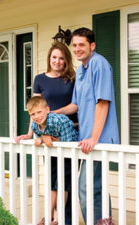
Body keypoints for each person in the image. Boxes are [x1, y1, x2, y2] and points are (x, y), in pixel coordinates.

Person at [54, 27, 119, 224]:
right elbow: (76, 105)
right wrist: (52, 113)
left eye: (81, 44)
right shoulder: (82, 70)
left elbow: (103, 102)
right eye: (74, 45)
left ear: (92, 45)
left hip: (98, 140)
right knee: (96, 187)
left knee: (85, 188)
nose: (77, 49)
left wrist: (93, 138)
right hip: (87, 141)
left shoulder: (99, 64)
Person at [15, 41, 77, 225]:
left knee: (66, 179)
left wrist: (51, 114)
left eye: (61, 58)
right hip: (47, 134)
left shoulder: (72, 79)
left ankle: (62, 218)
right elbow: (36, 110)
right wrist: (31, 134)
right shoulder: (39, 79)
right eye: (54, 57)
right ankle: (52, 216)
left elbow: (75, 106)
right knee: (53, 178)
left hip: (68, 133)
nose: (57, 61)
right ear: (49, 58)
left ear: (66, 61)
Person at [26, 96, 78, 225]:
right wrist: (43, 137)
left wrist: (45, 139)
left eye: (39, 112)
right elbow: (38, 137)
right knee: (52, 184)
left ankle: (58, 219)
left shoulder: (58, 121)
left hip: (68, 152)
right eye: (33, 114)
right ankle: (48, 217)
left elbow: (67, 143)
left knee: (62, 185)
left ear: (47, 110)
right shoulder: (34, 124)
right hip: (53, 153)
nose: (37, 116)